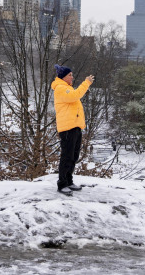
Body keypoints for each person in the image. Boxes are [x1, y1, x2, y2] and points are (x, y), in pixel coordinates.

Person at [52, 64, 94, 195]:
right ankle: (62, 184)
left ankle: (69, 181)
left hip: (75, 127)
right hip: (67, 128)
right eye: (70, 75)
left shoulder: (67, 88)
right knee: (67, 156)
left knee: (74, 156)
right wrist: (86, 83)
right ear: (63, 77)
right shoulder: (60, 88)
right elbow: (75, 96)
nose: (72, 77)